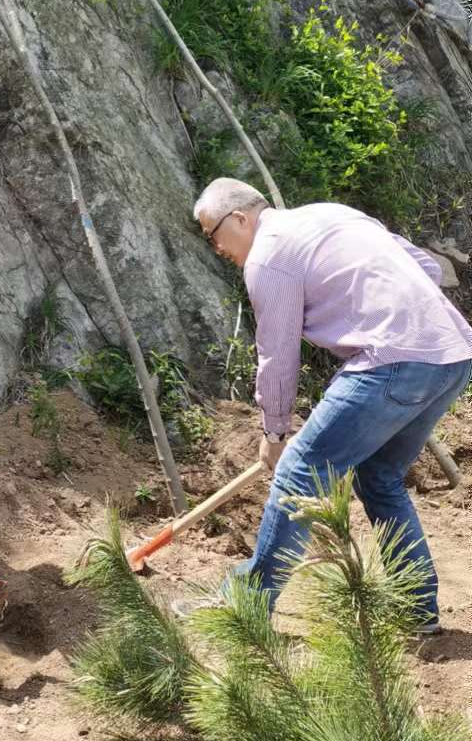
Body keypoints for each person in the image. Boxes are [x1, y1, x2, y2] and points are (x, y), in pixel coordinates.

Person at [182, 177, 472, 627]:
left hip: (391, 361)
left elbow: (277, 355)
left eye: (212, 233)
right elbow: (423, 268)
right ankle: (418, 611)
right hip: (451, 355)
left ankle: (248, 606)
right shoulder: (331, 213)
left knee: (301, 469)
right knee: (378, 475)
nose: (215, 246)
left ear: (240, 217)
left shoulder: (268, 258)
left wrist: (275, 432)